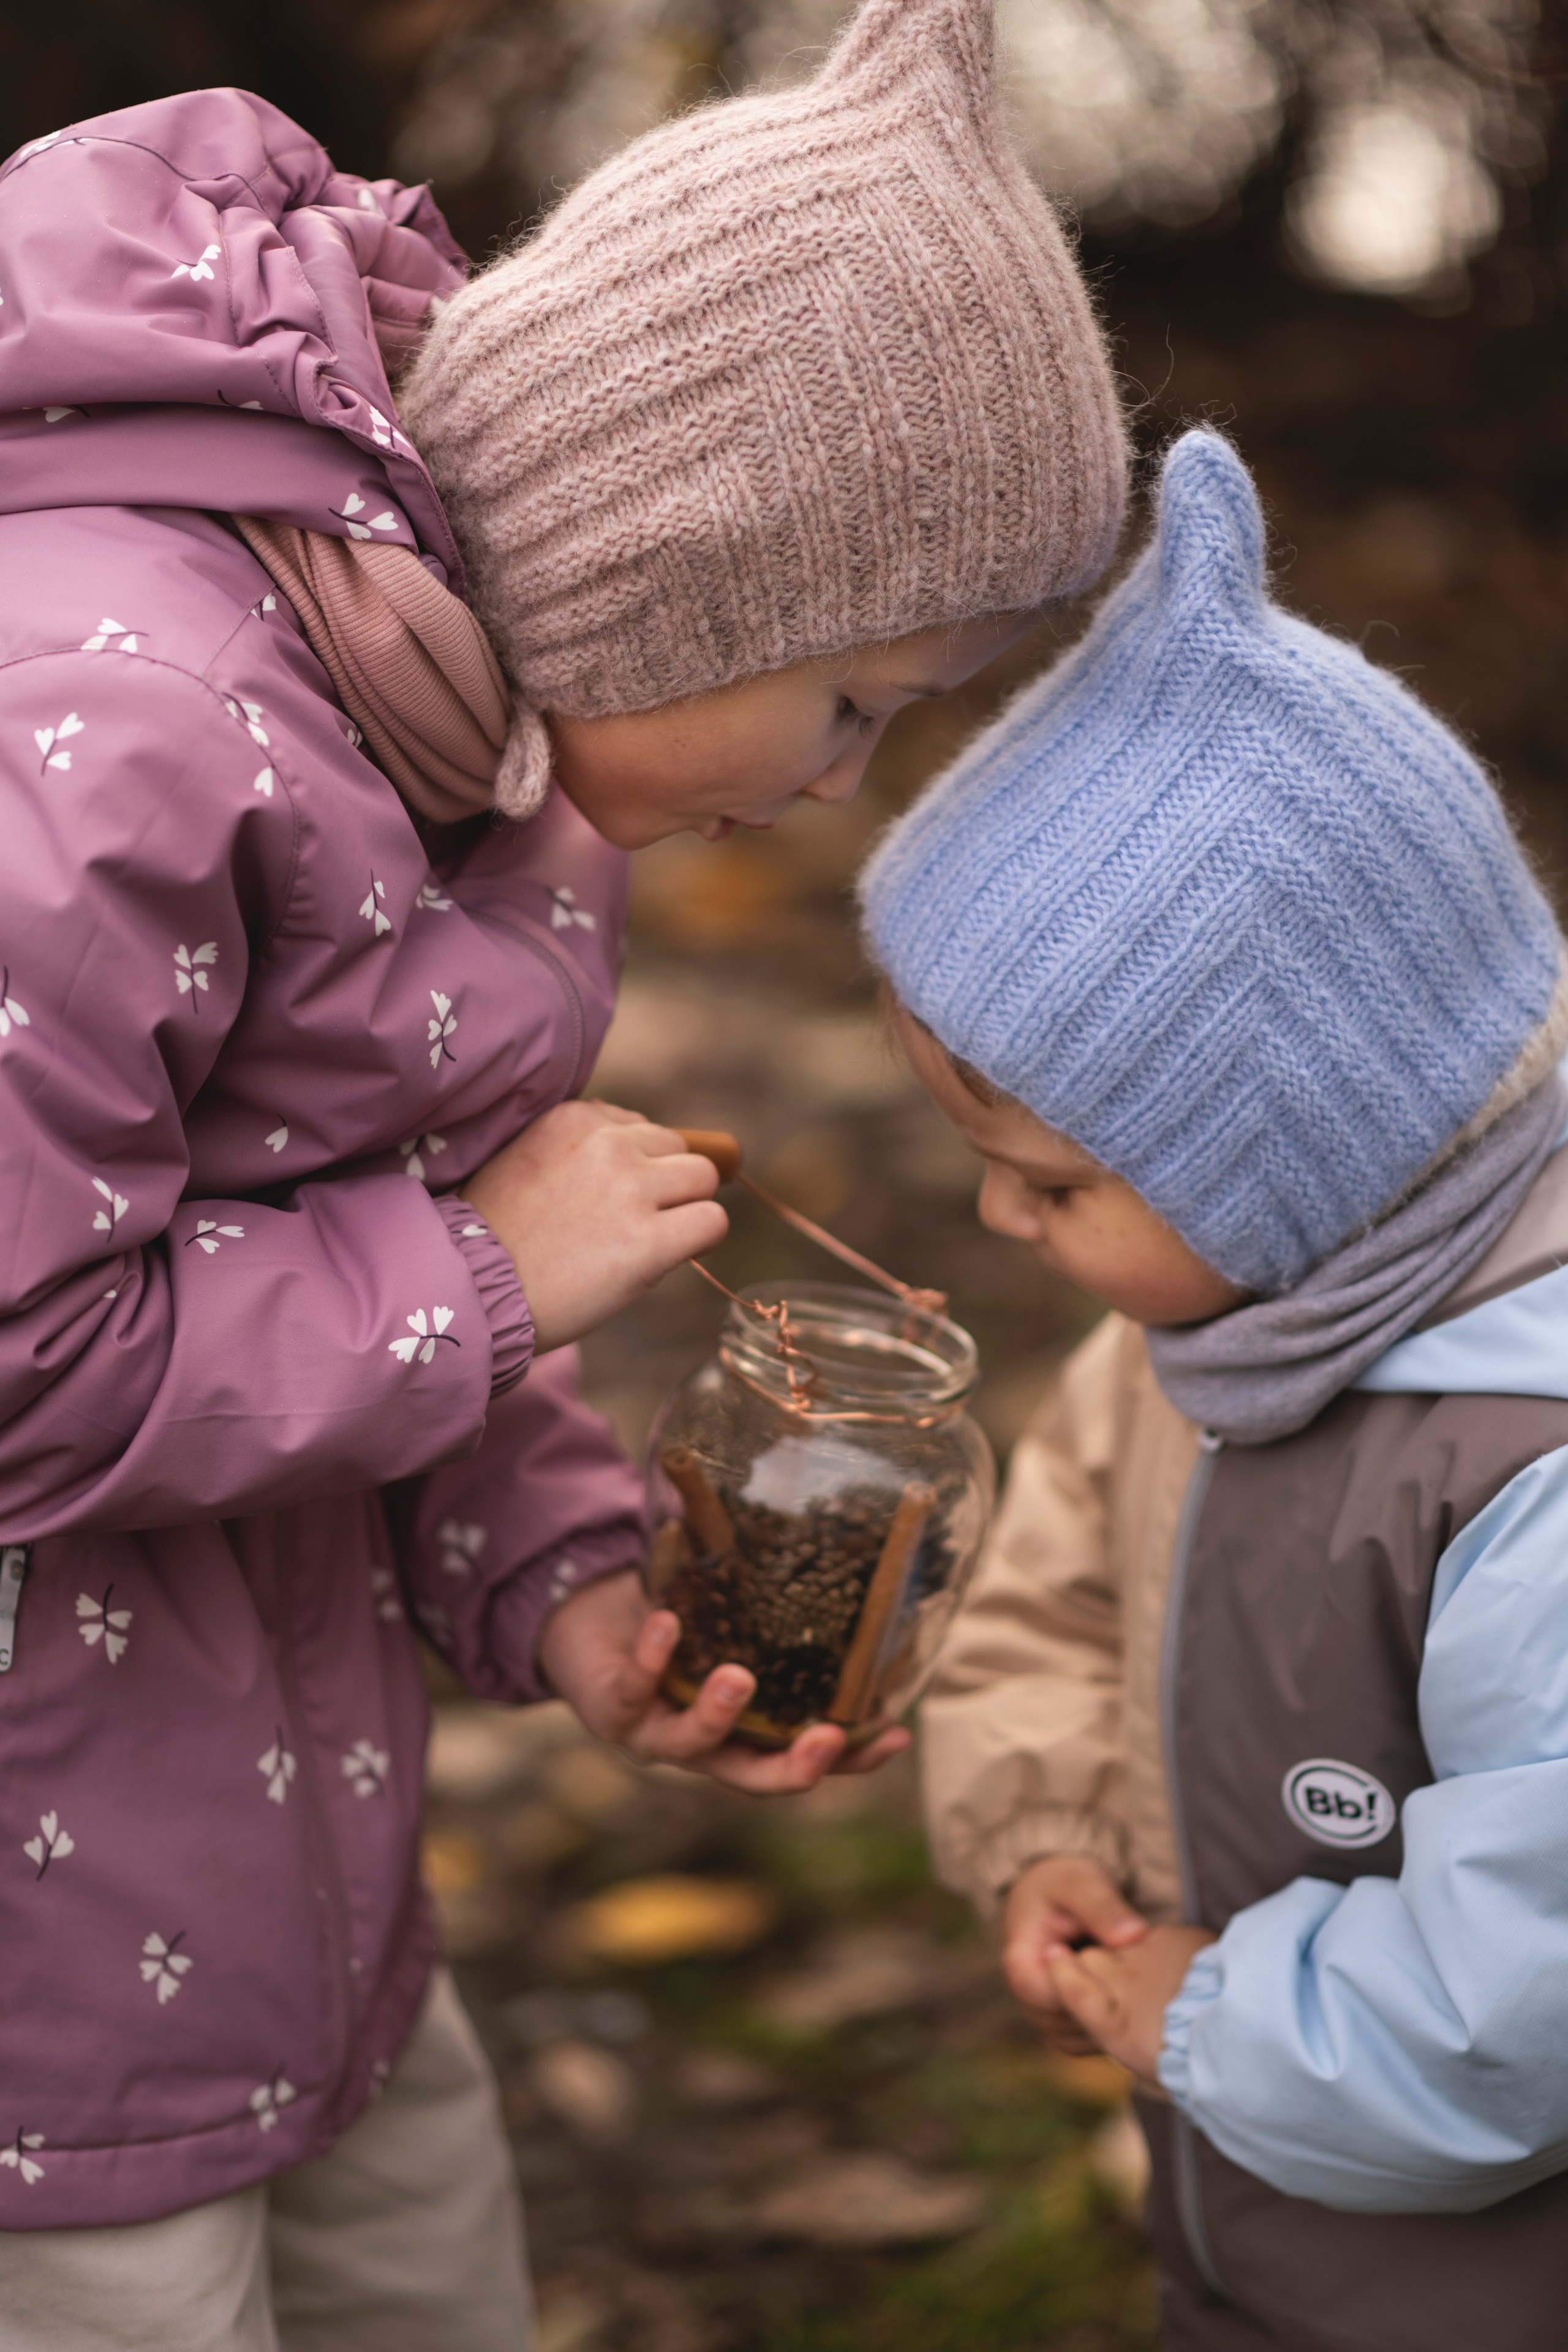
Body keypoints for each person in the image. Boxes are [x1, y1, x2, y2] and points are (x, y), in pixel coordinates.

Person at [0, 0, 1127, 2343]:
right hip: (45, 1986)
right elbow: (36, 1363)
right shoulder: (108, 747)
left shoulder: (478, 743)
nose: (840, 787)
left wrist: (571, 1581)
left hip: (292, 1879)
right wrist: (484, 1275)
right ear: (675, 581)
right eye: (854, 700)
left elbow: (354, 1227)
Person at [861, 428, 1568, 2351]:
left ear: (1296, 1162)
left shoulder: (1527, 1473)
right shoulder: (1197, 1333)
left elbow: (1527, 1996)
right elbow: (1051, 1594)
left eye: (1054, 1184)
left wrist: (1217, 2019)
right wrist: (1050, 1832)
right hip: (1254, 2215)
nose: (997, 1219)